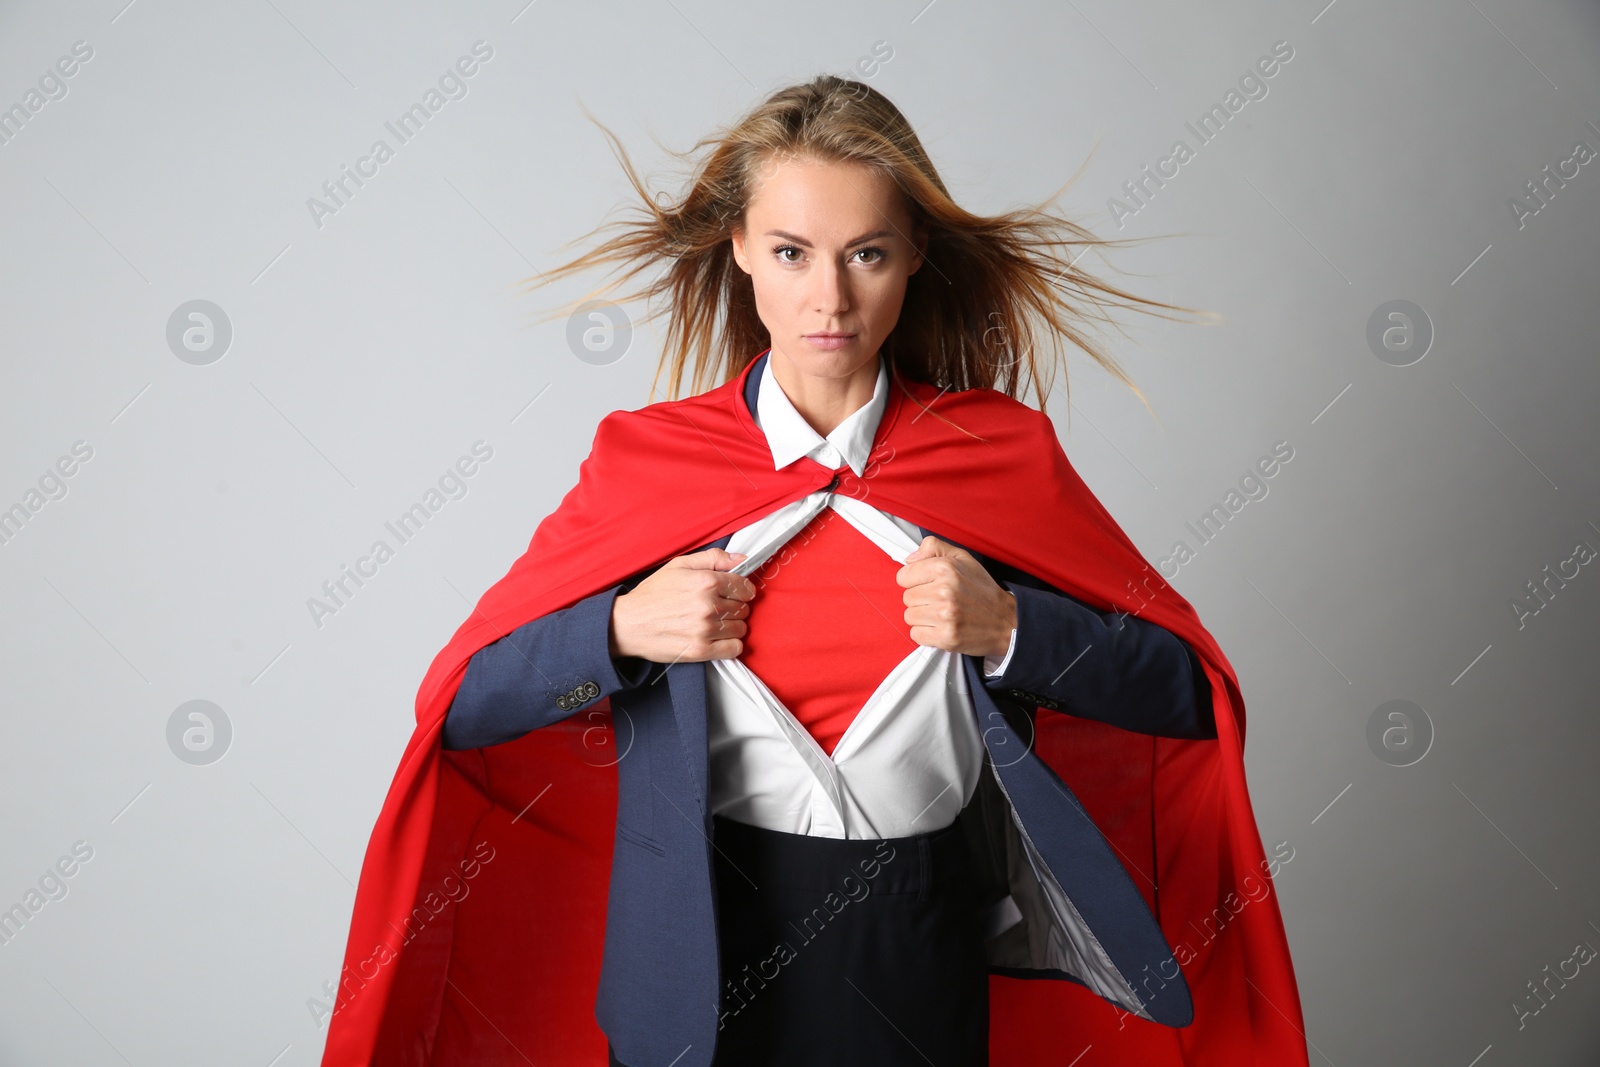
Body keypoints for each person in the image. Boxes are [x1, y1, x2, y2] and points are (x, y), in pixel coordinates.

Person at [319, 75, 1308, 1067]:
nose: (828, 297)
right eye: (791, 252)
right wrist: (618, 629)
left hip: (918, 954)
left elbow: (1183, 697)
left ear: (913, 254)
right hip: (691, 970)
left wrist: (1009, 627)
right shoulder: (648, 458)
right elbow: (464, 709)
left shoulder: (996, 455)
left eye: (865, 253)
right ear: (740, 245)